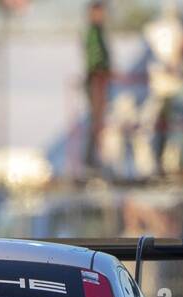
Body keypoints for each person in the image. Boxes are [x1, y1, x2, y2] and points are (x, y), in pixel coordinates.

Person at [83, 1, 112, 171]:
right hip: (96, 79)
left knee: (99, 120)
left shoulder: (99, 31)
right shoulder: (93, 32)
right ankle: (90, 161)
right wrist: (102, 73)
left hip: (99, 79)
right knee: (96, 121)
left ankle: (93, 160)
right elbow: (95, 58)